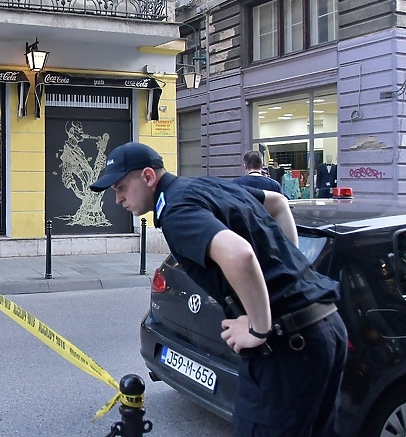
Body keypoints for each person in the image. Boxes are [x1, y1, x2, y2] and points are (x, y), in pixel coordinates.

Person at [90, 142, 347, 437]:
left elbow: (239, 255)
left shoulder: (176, 211)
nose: (118, 199)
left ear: (148, 177)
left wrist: (257, 326)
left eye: (121, 187)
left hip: (288, 344)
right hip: (324, 328)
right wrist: (291, 272)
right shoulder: (204, 186)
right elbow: (277, 202)